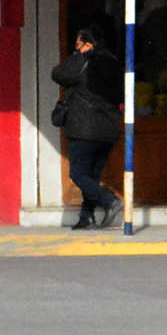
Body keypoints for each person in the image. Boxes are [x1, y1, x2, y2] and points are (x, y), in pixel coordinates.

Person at [50, 25, 123, 230]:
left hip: (84, 129)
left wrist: (76, 56)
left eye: (78, 45)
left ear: (88, 44)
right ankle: (86, 216)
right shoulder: (114, 63)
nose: (76, 48)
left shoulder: (83, 61)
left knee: (79, 174)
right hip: (108, 130)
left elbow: (58, 74)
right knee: (92, 175)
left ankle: (110, 201)